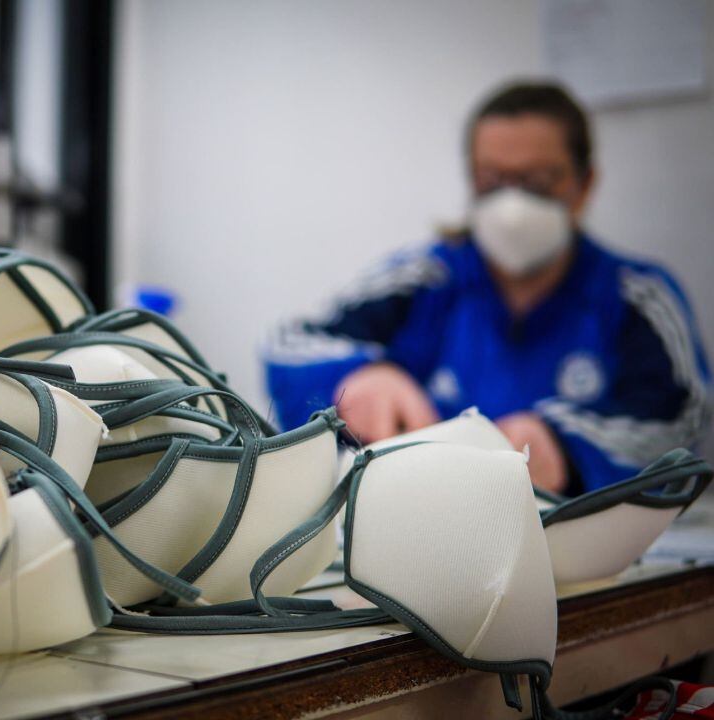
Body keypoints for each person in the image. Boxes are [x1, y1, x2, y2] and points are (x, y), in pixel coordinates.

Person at [266, 81, 710, 495]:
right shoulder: (426, 278)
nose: (512, 204)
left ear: (583, 183)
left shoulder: (635, 296)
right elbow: (288, 345)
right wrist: (356, 376)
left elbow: (685, 422)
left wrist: (566, 445)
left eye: (538, 181)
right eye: (492, 180)